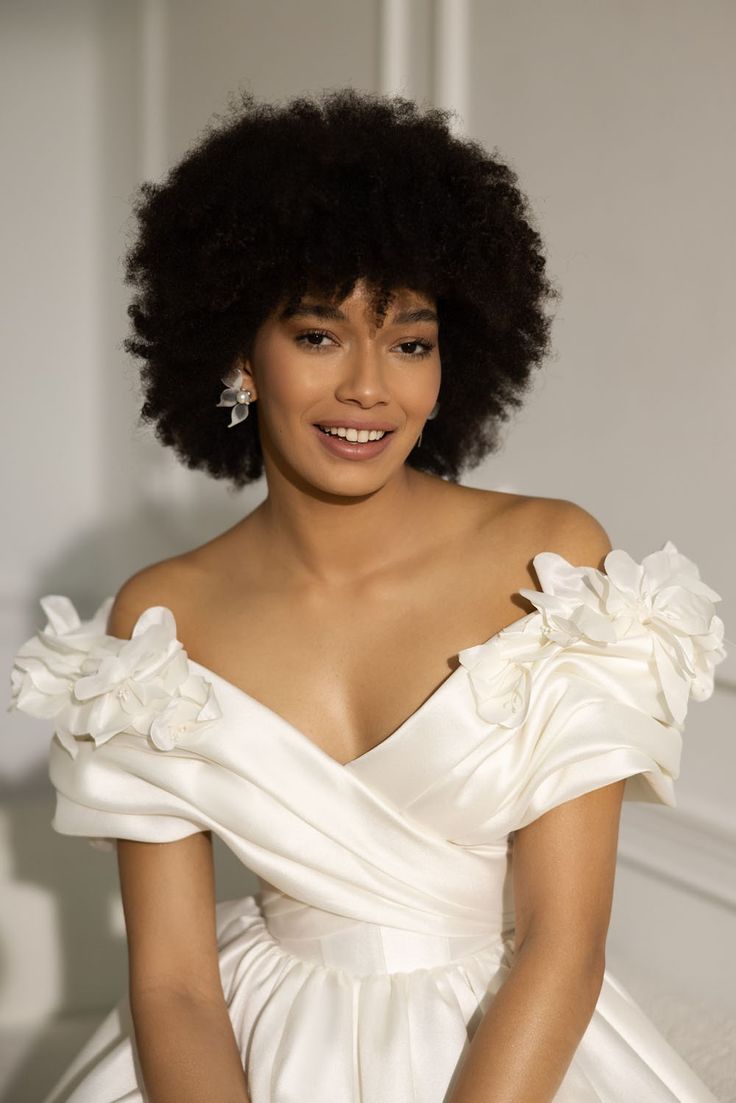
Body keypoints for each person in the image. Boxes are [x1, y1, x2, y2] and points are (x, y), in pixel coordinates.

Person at [8, 87, 728, 1103]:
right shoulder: (161, 616)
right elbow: (172, 987)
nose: (368, 388)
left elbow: (562, 944)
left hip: (513, 1055)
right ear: (237, 354)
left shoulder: (552, 562)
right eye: (317, 335)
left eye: (410, 340)